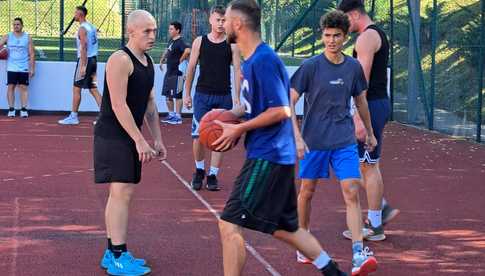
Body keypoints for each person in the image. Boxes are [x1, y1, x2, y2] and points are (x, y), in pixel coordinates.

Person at [214, 1, 347, 275]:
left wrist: (239, 129)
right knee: (284, 227)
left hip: (269, 155)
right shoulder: (252, 60)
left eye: (225, 19)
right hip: (274, 154)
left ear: (238, 24)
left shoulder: (263, 60)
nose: (222, 24)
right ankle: (334, 272)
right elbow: (259, 106)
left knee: (229, 223)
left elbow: (282, 109)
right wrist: (230, 116)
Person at [290, 10, 379, 275]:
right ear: (322, 36)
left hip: (343, 140)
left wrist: (371, 133)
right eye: (327, 35)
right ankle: (303, 240)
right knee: (307, 191)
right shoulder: (310, 67)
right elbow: (288, 101)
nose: (331, 40)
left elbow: (361, 102)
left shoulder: (353, 68)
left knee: (351, 190)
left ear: (345, 37)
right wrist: (296, 136)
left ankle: (357, 254)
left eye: (336, 36)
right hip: (314, 140)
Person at [94, 10, 167, 276]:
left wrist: (157, 138)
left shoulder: (147, 62)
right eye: (146, 31)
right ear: (131, 32)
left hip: (129, 136)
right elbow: (117, 103)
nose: (152, 35)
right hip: (113, 136)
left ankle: (112, 251)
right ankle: (117, 255)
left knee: (124, 193)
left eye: (154, 30)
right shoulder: (119, 60)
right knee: (120, 193)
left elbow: (149, 104)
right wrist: (139, 140)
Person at [338, 0, 399, 242]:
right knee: (364, 163)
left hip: (370, 106)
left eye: (345, 19)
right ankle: (378, 212)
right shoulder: (377, 34)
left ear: (354, 14)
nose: (343, 25)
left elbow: (360, 80)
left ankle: (375, 223)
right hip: (377, 103)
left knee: (367, 165)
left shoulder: (365, 38)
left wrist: (359, 117)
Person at [184, 5, 241, 191]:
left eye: (224, 20)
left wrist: (238, 98)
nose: (221, 24)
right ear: (210, 20)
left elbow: (238, 71)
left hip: (224, 96)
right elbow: (191, 68)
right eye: (218, 20)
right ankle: (199, 170)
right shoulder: (199, 42)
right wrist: (186, 93)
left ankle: (213, 174)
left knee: (220, 137)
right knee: (198, 136)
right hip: (202, 95)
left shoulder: (232, 44)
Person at [58, 6, 102, 125]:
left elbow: (84, 46)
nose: (74, 15)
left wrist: (82, 66)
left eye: (75, 13)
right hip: (93, 59)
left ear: (80, 15)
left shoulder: (82, 29)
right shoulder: (91, 26)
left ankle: (73, 116)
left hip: (85, 60)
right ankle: (105, 116)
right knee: (93, 89)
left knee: (76, 88)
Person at [0, 17, 35, 118]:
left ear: (22, 25)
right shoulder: (8, 36)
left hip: (23, 66)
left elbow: (32, 54)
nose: (16, 26)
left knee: (23, 87)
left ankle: (23, 109)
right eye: (14, 24)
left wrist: (32, 68)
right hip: (11, 67)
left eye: (18, 24)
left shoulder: (27, 37)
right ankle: (11, 109)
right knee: (11, 87)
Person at [159, 21, 191, 125]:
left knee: (177, 95)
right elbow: (167, 50)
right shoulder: (171, 41)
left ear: (177, 30)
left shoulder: (181, 42)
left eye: (171, 29)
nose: (169, 31)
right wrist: (162, 60)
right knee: (167, 95)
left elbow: (187, 51)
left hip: (178, 73)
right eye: (169, 29)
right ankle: (171, 115)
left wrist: (180, 61)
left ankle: (178, 117)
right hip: (169, 72)